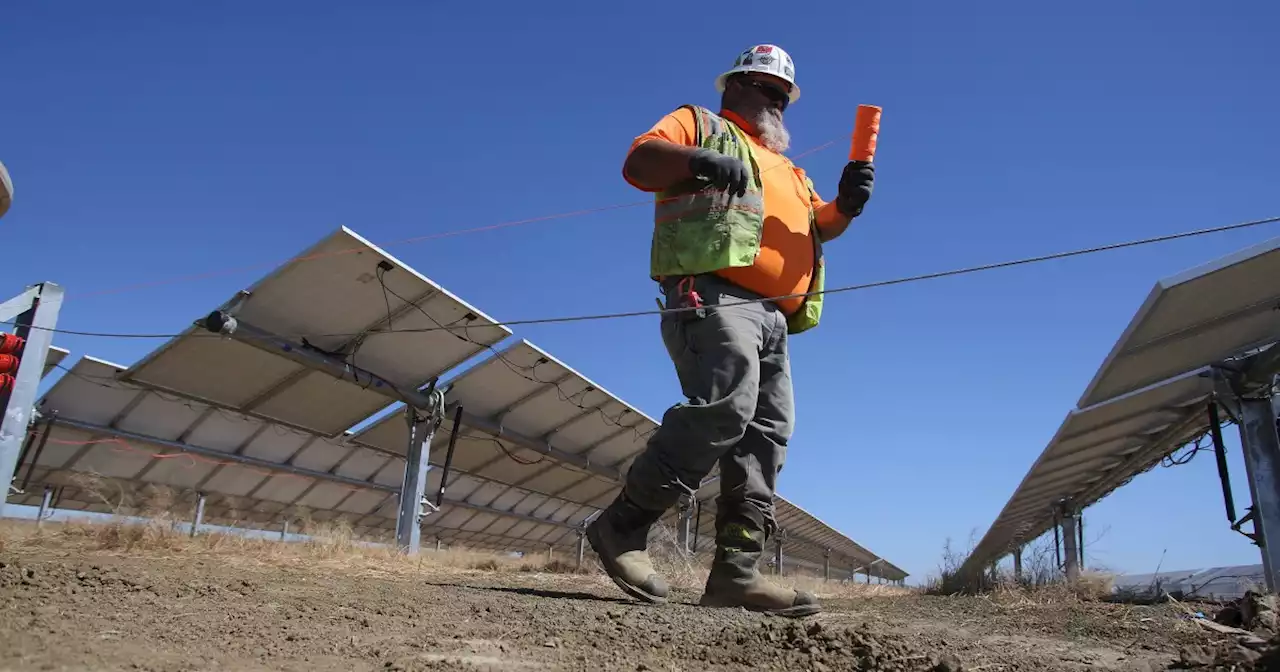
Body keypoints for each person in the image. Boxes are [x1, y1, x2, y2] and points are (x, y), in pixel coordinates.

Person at [586, 44, 875, 618]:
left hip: (775, 315)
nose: (776, 102)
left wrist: (843, 205)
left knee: (766, 435)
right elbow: (640, 162)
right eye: (767, 89)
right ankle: (623, 526)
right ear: (734, 86)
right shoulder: (700, 124)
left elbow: (816, 226)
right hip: (713, 293)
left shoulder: (791, 170)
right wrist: (697, 161)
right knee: (726, 408)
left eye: (782, 96)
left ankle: (736, 574)